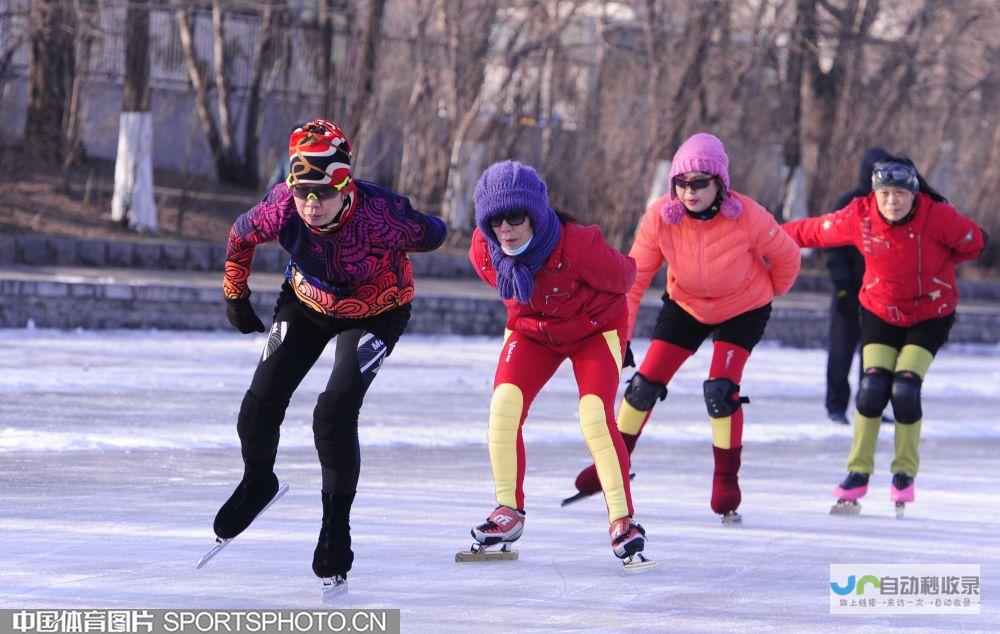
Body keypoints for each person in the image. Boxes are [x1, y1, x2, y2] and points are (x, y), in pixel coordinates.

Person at [213, 119, 447, 586]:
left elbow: (436, 233)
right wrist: (235, 296)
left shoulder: (383, 214)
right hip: (307, 303)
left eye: (323, 192)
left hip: (376, 311)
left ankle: (334, 529)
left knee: (334, 412)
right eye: (303, 193)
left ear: (345, 186)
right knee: (259, 403)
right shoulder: (282, 207)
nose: (311, 205)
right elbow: (240, 237)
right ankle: (258, 480)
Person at [567, 133, 802, 522]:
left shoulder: (748, 215)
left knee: (720, 390)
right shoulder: (661, 217)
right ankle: (613, 465)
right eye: (681, 183)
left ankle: (726, 478)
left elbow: (789, 256)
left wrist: (770, 290)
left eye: (699, 183)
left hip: (743, 308)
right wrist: (621, 337)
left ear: (719, 184)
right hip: (687, 305)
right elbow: (632, 279)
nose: (689, 192)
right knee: (643, 386)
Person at [466, 160, 649, 565]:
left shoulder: (579, 245)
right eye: (494, 220)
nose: (505, 229)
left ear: (535, 213)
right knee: (503, 407)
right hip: (534, 333)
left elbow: (625, 277)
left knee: (594, 416)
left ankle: (623, 520)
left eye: (515, 216)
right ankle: (507, 511)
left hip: (593, 331)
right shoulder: (484, 253)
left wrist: (615, 339)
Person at [783, 156, 987, 509]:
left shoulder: (936, 216)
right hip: (880, 311)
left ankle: (904, 473)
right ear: (875, 194)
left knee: (905, 388)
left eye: (900, 194)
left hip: (930, 315)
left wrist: (940, 267)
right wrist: (764, 237)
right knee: (872, 385)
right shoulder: (860, 216)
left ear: (914, 193)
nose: (892, 201)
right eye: (885, 194)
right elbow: (813, 231)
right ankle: (858, 472)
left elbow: (975, 242)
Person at [824, 148, 890, 425]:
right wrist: (842, 289)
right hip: (848, 294)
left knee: (875, 357)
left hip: (880, 297)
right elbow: (833, 247)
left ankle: (871, 406)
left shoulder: (890, 205)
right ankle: (836, 406)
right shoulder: (847, 202)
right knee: (840, 353)